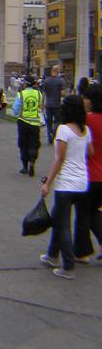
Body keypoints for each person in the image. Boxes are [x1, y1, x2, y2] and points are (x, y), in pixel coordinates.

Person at [40, 95, 93, 279]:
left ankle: (68, 265)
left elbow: (59, 159)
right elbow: (90, 152)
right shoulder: (85, 131)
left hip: (66, 184)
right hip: (82, 183)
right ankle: (52, 254)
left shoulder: (63, 130)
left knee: (62, 225)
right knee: (57, 217)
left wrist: (47, 182)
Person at [73, 84, 102, 261]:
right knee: (93, 212)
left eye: (85, 98)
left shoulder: (86, 121)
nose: (84, 101)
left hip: (87, 175)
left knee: (83, 214)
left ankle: (82, 252)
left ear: (91, 101)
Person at [14, 75, 44, 177]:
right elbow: (40, 107)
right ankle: (32, 161)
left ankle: (25, 166)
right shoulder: (39, 94)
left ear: (26, 84)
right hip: (35, 122)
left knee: (23, 144)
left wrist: (18, 114)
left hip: (23, 121)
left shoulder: (21, 94)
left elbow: (16, 109)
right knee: (34, 144)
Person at [42, 65, 66, 144]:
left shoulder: (46, 80)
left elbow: (43, 93)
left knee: (49, 121)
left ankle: (49, 136)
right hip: (57, 104)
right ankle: (53, 131)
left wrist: (42, 104)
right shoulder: (60, 81)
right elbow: (62, 94)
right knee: (57, 121)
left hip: (48, 104)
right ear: (57, 71)